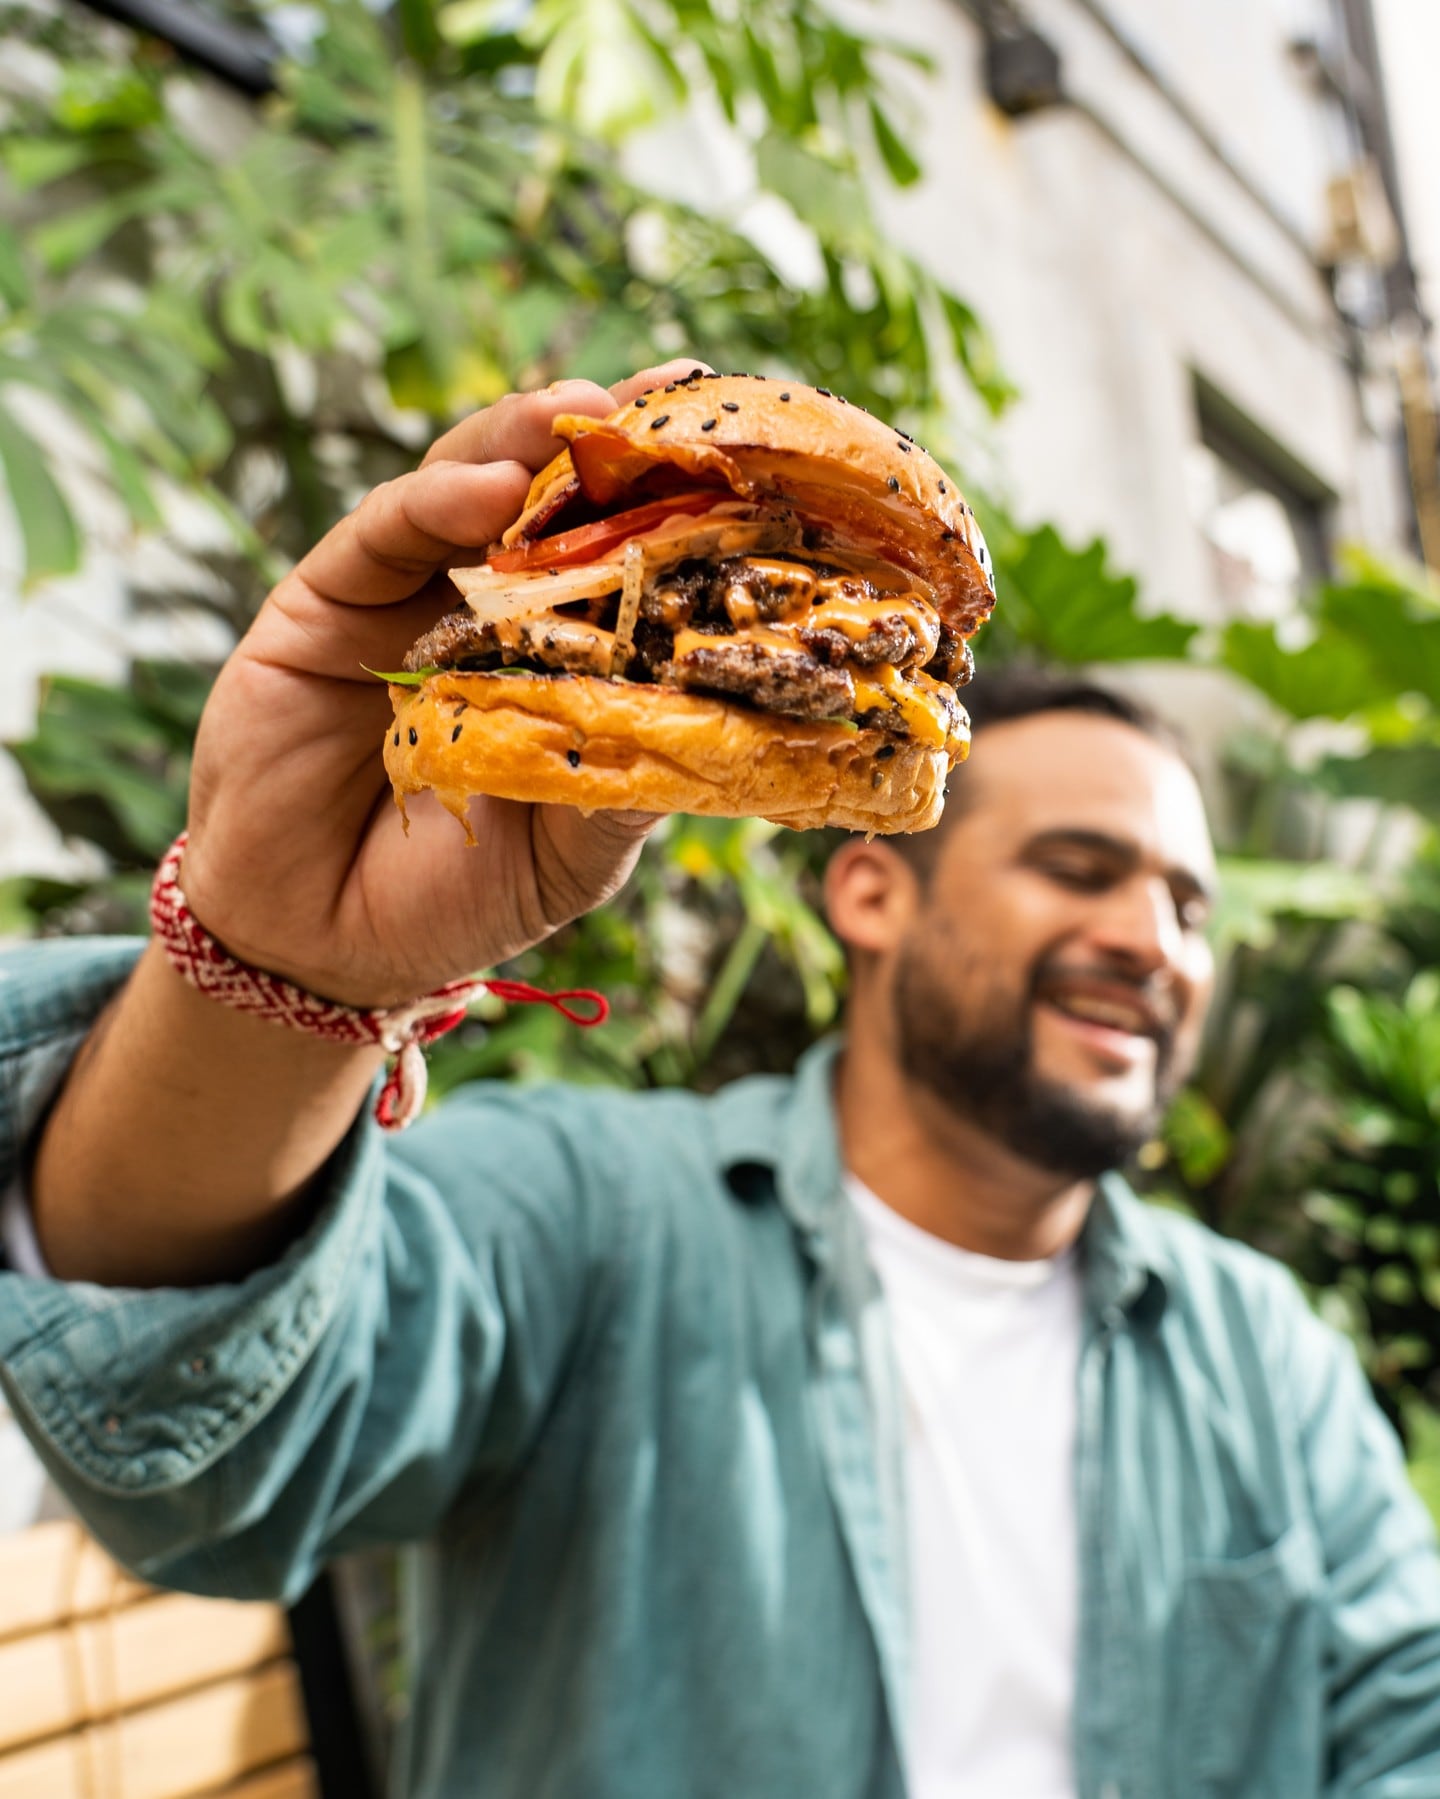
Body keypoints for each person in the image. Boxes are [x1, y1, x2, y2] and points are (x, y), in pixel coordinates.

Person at [2, 364, 1438, 1799]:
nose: (1152, 941)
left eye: (1190, 908)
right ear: (868, 895)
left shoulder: (1266, 1356)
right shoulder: (590, 1219)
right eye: (1080, 870)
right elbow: (185, 1446)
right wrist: (284, 966)